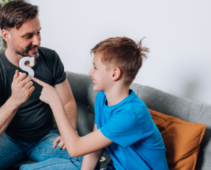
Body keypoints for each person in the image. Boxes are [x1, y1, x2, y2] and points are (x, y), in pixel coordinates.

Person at [0, 0, 82, 169]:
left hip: (45, 138)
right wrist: (15, 100)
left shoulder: (51, 58)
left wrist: (70, 133)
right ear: (6, 35)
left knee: (87, 159)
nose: (37, 41)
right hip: (7, 139)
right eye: (28, 36)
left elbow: (67, 102)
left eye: (38, 33)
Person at [33, 37, 169, 170]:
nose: (90, 72)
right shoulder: (102, 96)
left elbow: (75, 148)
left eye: (95, 67)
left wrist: (55, 102)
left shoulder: (130, 114)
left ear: (115, 74)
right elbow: (94, 149)